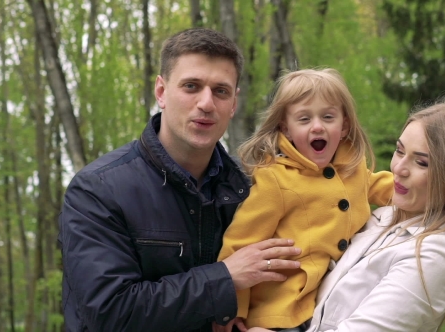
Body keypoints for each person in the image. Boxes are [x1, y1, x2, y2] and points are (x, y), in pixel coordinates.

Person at [58, 28, 302, 332]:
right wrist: (224, 277)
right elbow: (108, 313)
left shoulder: (255, 189)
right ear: (161, 92)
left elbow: (295, 287)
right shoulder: (98, 190)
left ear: (234, 104)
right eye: (191, 86)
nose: (206, 103)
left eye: (221, 91)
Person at [247, 101, 445, 332]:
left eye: (421, 163)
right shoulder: (382, 217)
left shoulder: (434, 255)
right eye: (400, 151)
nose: (398, 168)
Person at [216, 68, 394, 331]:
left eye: (328, 116)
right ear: (286, 129)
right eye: (304, 119)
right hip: (283, 308)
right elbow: (240, 244)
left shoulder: (353, 168)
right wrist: (232, 308)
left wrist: (427, 193)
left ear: (344, 125)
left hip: (336, 299)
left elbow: (384, 186)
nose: (318, 126)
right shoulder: (276, 180)